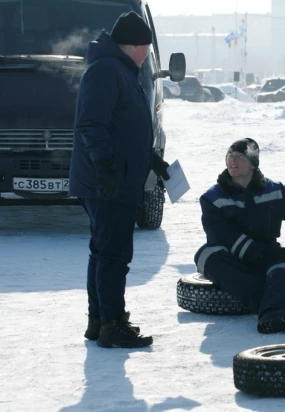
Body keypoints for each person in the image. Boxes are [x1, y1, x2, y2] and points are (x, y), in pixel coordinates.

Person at [70, 11, 170, 348]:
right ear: (133, 45)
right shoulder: (107, 71)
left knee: (103, 252)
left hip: (117, 175)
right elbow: (91, 124)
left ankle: (99, 320)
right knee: (113, 254)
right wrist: (105, 167)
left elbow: (123, 125)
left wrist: (150, 157)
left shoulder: (118, 69)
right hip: (110, 181)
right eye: (144, 46)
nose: (146, 53)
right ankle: (112, 324)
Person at [194, 138, 285, 334]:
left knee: (280, 266)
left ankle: (277, 314)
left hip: (265, 253)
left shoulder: (273, 191)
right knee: (208, 255)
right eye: (229, 156)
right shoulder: (213, 197)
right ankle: (269, 301)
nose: (232, 161)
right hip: (229, 257)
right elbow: (221, 234)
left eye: (239, 157)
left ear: (253, 164)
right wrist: (260, 252)